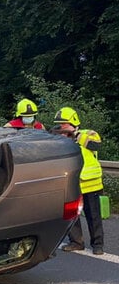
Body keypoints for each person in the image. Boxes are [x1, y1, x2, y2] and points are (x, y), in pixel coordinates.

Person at [52, 107, 105, 255]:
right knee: (72, 216)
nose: (61, 127)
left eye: (64, 124)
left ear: (73, 122)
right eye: (59, 124)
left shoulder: (88, 133)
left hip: (91, 184)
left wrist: (74, 135)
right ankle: (76, 242)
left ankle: (98, 245)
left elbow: (96, 144)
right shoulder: (61, 139)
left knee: (93, 216)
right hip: (72, 184)